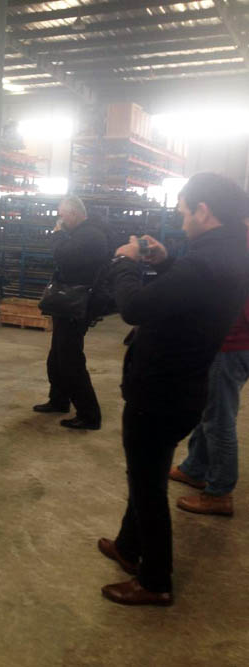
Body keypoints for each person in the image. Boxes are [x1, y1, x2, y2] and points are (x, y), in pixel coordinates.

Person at [98, 173, 249, 606]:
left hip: (160, 391)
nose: (182, 221)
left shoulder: (204, 262)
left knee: (147, 487)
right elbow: (186, 294)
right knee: (145, 473)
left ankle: (155, 581)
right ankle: (128, 547)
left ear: (204, 210)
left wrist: (125, 261)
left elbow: (135, 307)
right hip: (184, 386)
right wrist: (165, 262)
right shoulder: (230, 253)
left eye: (184, 213)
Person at [170, 220, 249, 516]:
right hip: (229, 342)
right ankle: (195, 468)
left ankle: (219, 492)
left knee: (218, 419)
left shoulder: (240, 244)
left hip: (230, 345)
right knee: (210, 409)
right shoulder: (237, 240)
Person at [33, 196, 109, 430]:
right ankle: (59, 400)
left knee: (70, 359)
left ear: (74, 214)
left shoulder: (90, 235)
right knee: (57, 356)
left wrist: (57, 235)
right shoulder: (83, 233)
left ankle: (89, 415)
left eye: (63, 215)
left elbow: (62, 256)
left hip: (77, 306)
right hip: (68, 303)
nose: (61, 220)